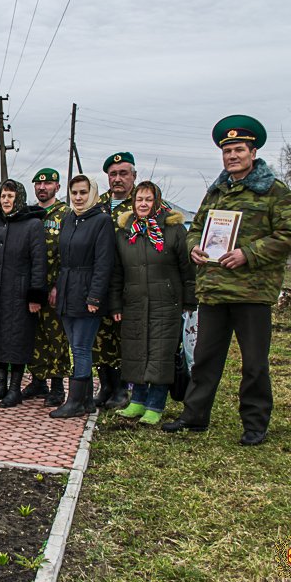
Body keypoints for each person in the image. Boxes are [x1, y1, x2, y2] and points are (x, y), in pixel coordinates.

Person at [163, 115, 291, 446]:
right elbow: (196, 228)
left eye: (239, 150)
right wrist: (194, 246)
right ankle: (194, 416)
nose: (232, 156)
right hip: (214, 290)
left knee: (254, 364)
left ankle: (254, 423)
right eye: (227, 151)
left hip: (252, 292)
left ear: (252, 152)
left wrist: (248, 253)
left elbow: (290, 233)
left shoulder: (273, 191)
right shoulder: (217, 192)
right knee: (205, 359)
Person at [109, 181, 196, 425]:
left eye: (148, 199)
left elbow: (188, 269)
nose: (143, 204)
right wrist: (116, 304)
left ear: (157, 202)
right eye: (139, 200)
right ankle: (137, 400)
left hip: (166, 303)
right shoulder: (126, 233)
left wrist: (189, 301)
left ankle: (155, 405)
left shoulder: (173, 230)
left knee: (161, 354)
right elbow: (117, 272)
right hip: (133, 302)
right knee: (135, 351)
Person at [0, 179, 47, 408]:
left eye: (10, 196)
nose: (6, 200)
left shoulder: (33, 224)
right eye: (3, 196)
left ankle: (14, 390)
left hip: (19, 294)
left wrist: (36, 295)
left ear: (20, 198)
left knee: (15, 340)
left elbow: (39, 262)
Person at [50, 174, 115, 418]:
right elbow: (61, 259)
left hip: (87, 291)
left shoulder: (102, 221)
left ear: (93, 193)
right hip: (67, 290)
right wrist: (58, 287)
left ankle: (75, 401)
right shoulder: (69, 219)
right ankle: (86, 400)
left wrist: (95, 298)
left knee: (81, 348)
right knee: (74, 346)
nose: (78, 197)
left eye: (83, 192)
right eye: (74, 192)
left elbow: (104, 264)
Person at [23, 168, 72, 407]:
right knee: (34, 336)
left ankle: (57, 385)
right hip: (31, 287)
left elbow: (68, 254)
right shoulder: (30, 214)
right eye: (39, 184)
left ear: (57, 187)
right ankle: (38, 380)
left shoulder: (65, 214)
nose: (43, 188)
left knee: (55, 337)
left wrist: (57, 287)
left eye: (48, 184)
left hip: (53, 288)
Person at [93, 152, 137, 409]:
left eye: (123, 173)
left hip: (128, 282)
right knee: (100, 337)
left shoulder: (142, 203)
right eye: (113, 174)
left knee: (123, 337)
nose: (117, 179)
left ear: (133, 176)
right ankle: (105, 385)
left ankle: (123, 389)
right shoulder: (98, 204)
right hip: (100, 282)